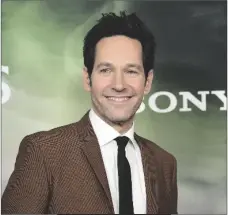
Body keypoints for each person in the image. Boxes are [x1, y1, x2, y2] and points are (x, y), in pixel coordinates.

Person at [1, 11, 178, 214]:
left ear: (147, 82)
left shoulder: (164, 163)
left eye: (131, 71)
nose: (119, 85)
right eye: (105, 70)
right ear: (87, 79)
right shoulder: (44, 152)